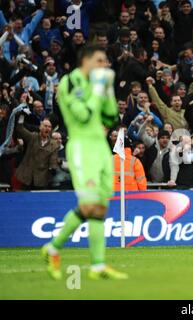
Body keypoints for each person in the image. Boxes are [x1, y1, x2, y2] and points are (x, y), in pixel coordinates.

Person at [41, 45, 128, 280]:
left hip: (101, 148)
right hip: (81, 147)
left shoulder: (97, 85)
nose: (104, 65)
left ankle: (93, 264)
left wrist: (108, 90)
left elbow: (110, 117)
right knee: (90, 205)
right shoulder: (71, 81)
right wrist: (100, 89)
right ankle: (57, 249)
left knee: (99, 207)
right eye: (100, 61)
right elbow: (84, 115)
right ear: (86, 61)